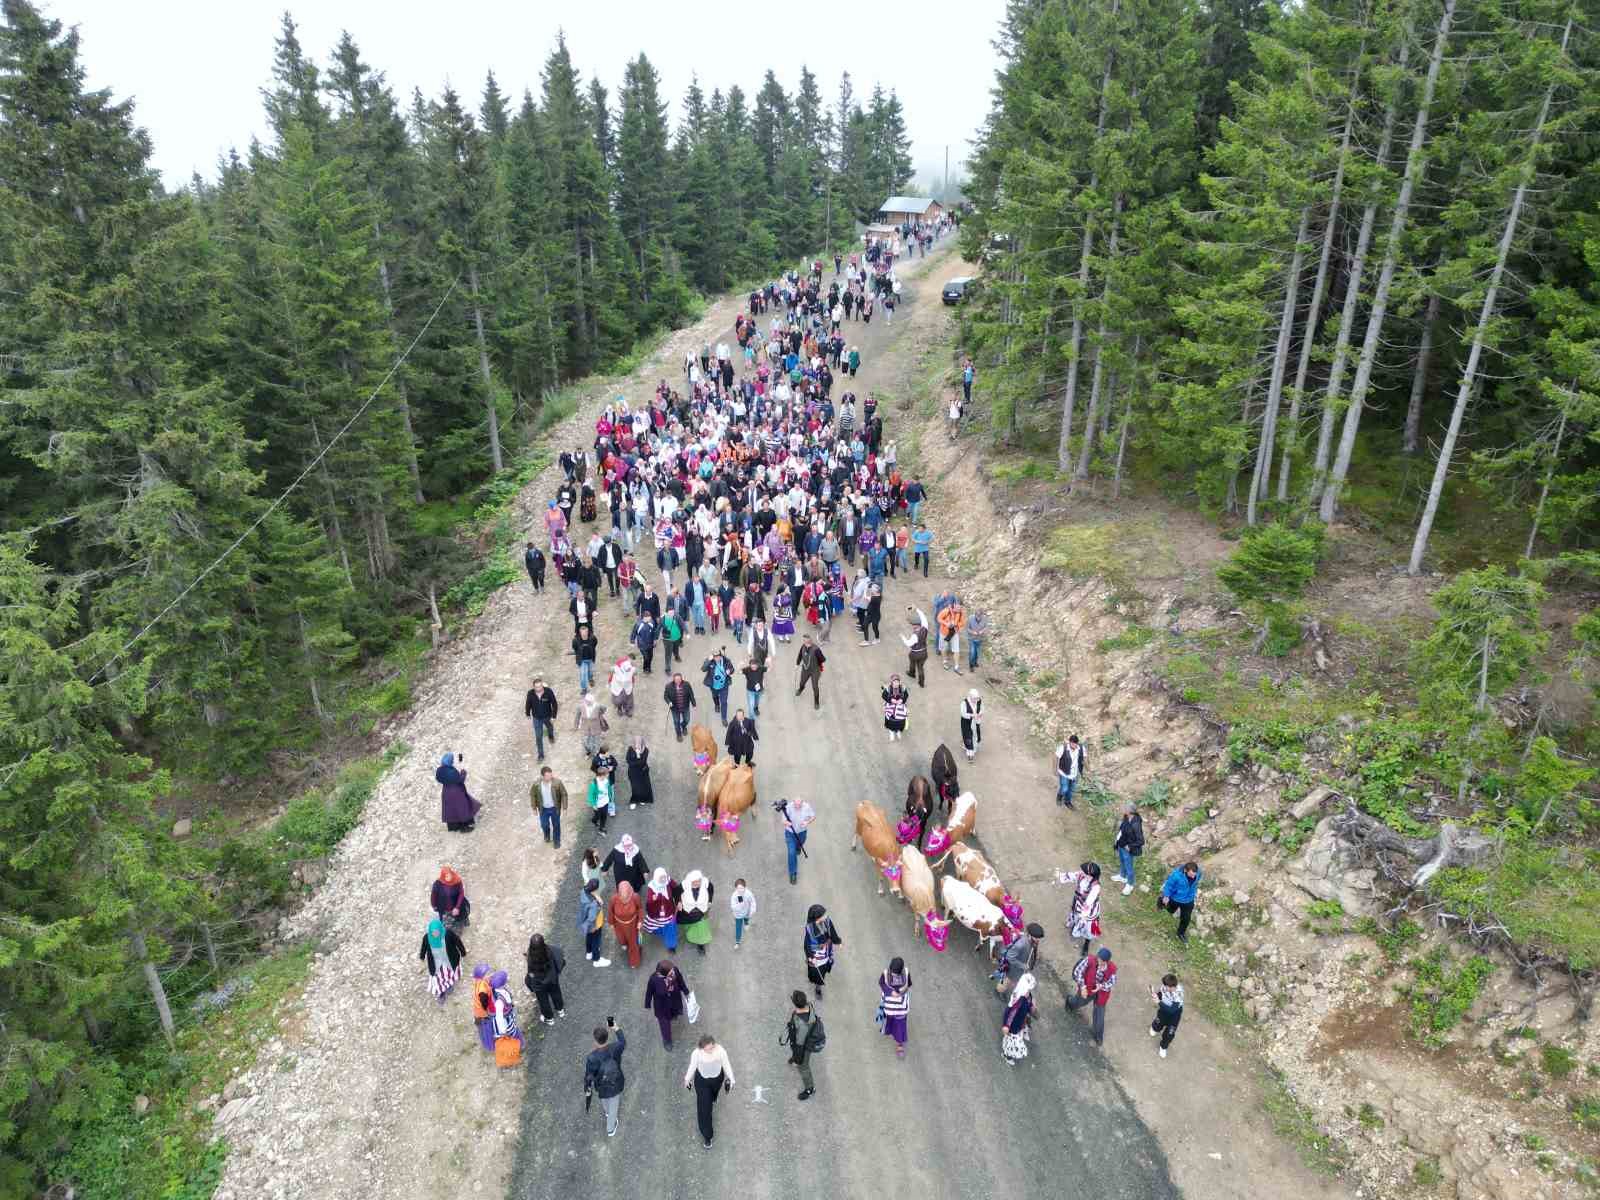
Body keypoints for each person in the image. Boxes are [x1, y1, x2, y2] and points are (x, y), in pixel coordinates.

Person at [683, 1034, 735, 1149]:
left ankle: (713, 1099)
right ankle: (707, 1136)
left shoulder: (721, 1051)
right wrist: (687, 1079)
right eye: (707, 1050)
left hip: (717, 1079)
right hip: (702, 1082)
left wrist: (732, 1079)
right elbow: (692, 1066)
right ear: (702, 1048)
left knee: (713, 1096)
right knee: (704, 1110)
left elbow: (726, 1065)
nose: (710, 1051)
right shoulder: (696, 1053)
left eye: (712, 1048)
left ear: (714, 1044)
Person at [584, 1018, 627, 1138]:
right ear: (607, 1038)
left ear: (595, 1041)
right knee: (614, 1103)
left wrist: (587, 1088)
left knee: (605, 1100)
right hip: (616, 1082)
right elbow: (623, 1041)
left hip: (601, 1086)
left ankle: (609, 1119)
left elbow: (589, 1075)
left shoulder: (592, 1058)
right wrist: (615, 1027)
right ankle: (610, 1128)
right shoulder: (616, 1047)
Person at [1067, 946, 1117, 1047]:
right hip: (1088, 988)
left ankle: (1098, 1036)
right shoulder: (1089, 960)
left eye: (1101, 960)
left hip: (1101, 993)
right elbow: (1078, 972)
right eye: (1098, 958)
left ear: (1106, 961)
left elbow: (1112, 982)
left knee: (1099, 1016)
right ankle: (1070, 1003)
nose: (1098, 961)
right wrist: (1083, 987)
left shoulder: (1112, 969)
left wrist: (1101, 986)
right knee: (1078, 1002)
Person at [1059, 861, 1104, 958]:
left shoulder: (1096, 887)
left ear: (1090, 875)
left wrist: (1083, 914)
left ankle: (1086, 944)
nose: (1080, 872)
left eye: (1083, 871)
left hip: (1088, 910)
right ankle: (1074, 925)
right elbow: (1071, 876)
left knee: (1088, 927)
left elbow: (1089, 901)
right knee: (1075, 917)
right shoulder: (1081, 876)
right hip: (1078, 903)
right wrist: (1060, 875)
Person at [643, 958, 689, 1048]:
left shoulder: (674, 970)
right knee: (664, 1025)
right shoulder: (653, 979)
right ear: (663, 973)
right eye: (670, 971)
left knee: (675, 1012)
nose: (673, 971)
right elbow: (649, 992)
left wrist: (686, 992)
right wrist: (647, 1004)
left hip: (675, 1000)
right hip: (662, 1007)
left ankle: (674, 1015)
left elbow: (681, 981)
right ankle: (667, 1040)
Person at [419, 915, 465, 1003]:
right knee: (438, 979)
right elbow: (424, 947)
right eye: (433, 932)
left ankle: (449, 985)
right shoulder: (427, 938)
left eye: (436, 931)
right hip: (436, 965)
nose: (435, 934)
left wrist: (463, 952)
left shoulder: (448, 934)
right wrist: (422, 956)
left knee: (449, 974)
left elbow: (458, 942)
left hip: (449, 961)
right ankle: (441, 992)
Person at [524, 933, 566, 1025]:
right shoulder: (549, 950)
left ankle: (549, 1019)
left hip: (539, 984)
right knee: (556, 993)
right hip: (552, 979)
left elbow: (531, 973)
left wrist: (531, 981)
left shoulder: (530, 957)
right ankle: (560, 1010)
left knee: (543, 1000)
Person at [785, 990, 821, 1100]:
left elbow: (799, 1044)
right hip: (806, 1041)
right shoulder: (809, 1006)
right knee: (798, 1056)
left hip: (804, 1046)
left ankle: (810, 1089)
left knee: (803, 1067)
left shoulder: (802, 1024)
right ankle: (795, 1058)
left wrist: (797, 1057)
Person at [803, 904, 842, 999]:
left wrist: (838, 941)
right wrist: (811, 956)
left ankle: (818, 987)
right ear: (816, 918)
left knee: (822, 971)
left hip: (826, 951)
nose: (826, 916)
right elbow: (807, 944)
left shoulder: (827, 921)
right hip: (815, 955)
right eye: (823, 915)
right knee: (813, 970)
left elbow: (832, 932)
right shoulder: (810, 928)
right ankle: (813, 980)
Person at [1159, 861, 1203, 943]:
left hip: (1188, 900)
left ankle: (1180, 933)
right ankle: (1161, 901)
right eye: (1191, 874)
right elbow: (1169, 885)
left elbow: (1198, 878)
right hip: (1176, 898)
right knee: (1170, 910)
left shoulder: (1199, 873)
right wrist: (1166, 896)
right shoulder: (1176, 875)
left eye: (1195, 874)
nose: (1194, 876)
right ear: (1185, 871)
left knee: (1186, 918)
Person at [877, 957, 912, 1058]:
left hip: (901, 1006)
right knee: (889, 1019)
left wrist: (901, 992)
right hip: (889, 1004)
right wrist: (890, 992)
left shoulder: (906, 972)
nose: (893, 974)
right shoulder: (885, 973)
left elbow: (908, 984)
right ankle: (888, 1030)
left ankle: (899, 1044)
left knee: (900, 1024)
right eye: (892, 972)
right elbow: (881, 983)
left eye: (895, 973)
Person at [996, 922, 1044, 994]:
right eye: (1036, 937)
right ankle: (999, 991)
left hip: (1022, 966)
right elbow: (1009, 957)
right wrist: (1023, 966)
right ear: (1029, 935)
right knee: (1006, 981)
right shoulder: (1020, 944)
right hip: (1013, 969)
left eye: (1039, 938)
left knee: (1013, 981)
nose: (1038, 940)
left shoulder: (1032, 941)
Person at [436, 752, 479, 833]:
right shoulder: (452, 772)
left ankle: (455, 827)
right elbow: (460, 780)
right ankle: (464, 827)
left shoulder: (439, 770)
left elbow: (438, 779)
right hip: (456, 792)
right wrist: (463, 773)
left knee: (451, 809)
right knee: (461, 808)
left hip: (446, 792)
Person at [488, 969, 523, 1067]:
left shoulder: (496, 990)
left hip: (508, 1018)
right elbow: (499, 1018)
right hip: (505, 1023)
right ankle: (511, 1053)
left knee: (514, 1032)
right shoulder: (499, 1001)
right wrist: (503, 1032)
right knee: (512, 1034)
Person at [643, 868, 682, 952]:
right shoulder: (652, 888)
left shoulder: (669, 881)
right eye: (661, 878)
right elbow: (648, 905)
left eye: (664, 877)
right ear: (656, 878)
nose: (664, 879)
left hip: (669, 911)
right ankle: (660, 931)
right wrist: (653, 900)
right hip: (656, 914)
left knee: (670, 928)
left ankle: (671, 945)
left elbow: (677, 890)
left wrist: (679, 901)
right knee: (658, 926)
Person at [677, 870, 714, 956]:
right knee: (690, 927)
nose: (698, 883)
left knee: (701, 929)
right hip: (688, 912)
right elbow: (676, 893)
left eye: (699, 881)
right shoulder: (684, 885)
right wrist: (679, 902)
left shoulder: (706, 883)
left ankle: (700, 944)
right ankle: (690, 936)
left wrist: (710, 901)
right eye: (695, 882)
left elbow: (711, 890)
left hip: (701, 912)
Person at [1001, 972, 1035, 1064]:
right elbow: (1011, 1013)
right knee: (1012, 1042)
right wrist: (1007, 1025)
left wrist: (1031, 1007)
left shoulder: (1027, 996)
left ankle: (1021, 1034)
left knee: (1017, 1035)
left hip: (1021, 1021)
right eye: (1028, 990)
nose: (1029, 992)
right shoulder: (1019, 1000)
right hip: (1014, 1025)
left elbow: (1029, 1002)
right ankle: (1007, 1055)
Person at [608, 880, 644, 969]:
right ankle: (623, 943)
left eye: (627, 897)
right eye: (623, 898)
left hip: (632, 925)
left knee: (633, 943)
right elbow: (610, 911)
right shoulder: (613, 899)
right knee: (621, 937)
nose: (625, 900)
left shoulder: (635, 897)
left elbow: (640, 909)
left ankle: (634, 961)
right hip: (619, 925)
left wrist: (640, 921)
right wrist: (611, 923)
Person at [780, 796, 815, 885]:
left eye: (799, 805)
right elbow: (783, 821)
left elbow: (813, 816)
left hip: (802, 832)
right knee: (791, 853)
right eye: (795, 805)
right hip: (790, 833)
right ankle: (793, 873)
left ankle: (798, 847)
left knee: (800, 843)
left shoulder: (807, 807)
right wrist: (787, 823)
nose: (797, 807)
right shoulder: (788, 807)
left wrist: (807, 822)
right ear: (793, 803)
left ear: (802, 803)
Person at [530, 766, 568, 849]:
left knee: (556, 825)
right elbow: (533, 795)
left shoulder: (557, 782)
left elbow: (564, 794)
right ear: (542, 776)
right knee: (544, 825)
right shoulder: (536, 784)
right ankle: (546, 835)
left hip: (555, 808)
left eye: (551, 775)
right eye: (548, 776)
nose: (550, 777)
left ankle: (557, 841)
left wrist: (564, 808)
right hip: (543, 809)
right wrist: (534, 808)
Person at [1113, 803, 1145, 896]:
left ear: (1130, 811)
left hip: (1128, 849)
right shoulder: (1126, 817)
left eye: (1125, 807)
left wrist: (1130, 846)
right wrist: (1117, 840)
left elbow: (1141, 841)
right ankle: (1122, 876)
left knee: (1129, 867)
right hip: (1121, 845)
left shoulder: (1136, 824)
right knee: (1122, 861)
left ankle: (1130, 884)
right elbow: (1122, 829)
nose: (1123, 808)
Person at [577, 879, 611, 967]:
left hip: (584, 921)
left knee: (589, 937)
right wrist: (600, 904)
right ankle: (597, 959)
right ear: (594, 890)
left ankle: (589, 952)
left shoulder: (583, 891)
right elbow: (592, 917)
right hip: (594, 924)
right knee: (596, 940)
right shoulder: (593, 903)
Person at [1151, 974, 1185, 1058]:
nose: (1164, 988)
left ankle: (1163, 1047)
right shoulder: (1165, 986)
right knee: (1158, 1021)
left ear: (1172, 987)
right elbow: (1161, 993)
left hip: (1174, 1014)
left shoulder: (1179, 993)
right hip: (1163, 1009)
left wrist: (1158, 1002)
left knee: (1170, 1032)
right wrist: (1156, 995)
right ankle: (1155, 1028)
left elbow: (1171, 1010)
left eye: (1166, 987)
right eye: (1164, 985)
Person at [524, 679, 559, 761]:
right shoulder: (530, 693)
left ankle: (551, 735)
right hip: (536, 718)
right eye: (536, 687)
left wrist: (554, 716)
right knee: (538, 737)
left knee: (550, 727)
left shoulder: (548, 692)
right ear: (534, 687)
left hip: (547, 716)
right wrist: (528, 713)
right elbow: (528, 704)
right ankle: (541, 755)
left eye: (540, 686)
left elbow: (554, 703)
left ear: (542, 685)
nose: (539, 688)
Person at [430, 865, 471, 930]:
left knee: (459, 923)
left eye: (449, 875)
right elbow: (433, 895)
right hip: (444, 909)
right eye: (446, 876)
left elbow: (461, 893)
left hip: (456, 907)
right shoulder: (437, 884)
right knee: (447, 927)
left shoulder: (457, 881)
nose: (448, 877)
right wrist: (434, 905)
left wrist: (457, 907)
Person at [701, 646, 734, 725]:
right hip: (713, 685)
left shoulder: (726, 661)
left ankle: (724, 718)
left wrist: (730, 671)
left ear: (721, 655)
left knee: (724, 702)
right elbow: (703, 669)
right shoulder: (710, 661)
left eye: (718, 656)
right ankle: (716, 705)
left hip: (724, 685)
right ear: (713, 656)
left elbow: (732, 669)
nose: (717, 658)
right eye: (715, 657)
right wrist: (708, 660)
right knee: (715, 696)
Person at [574, 692, 609, 759]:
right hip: (585, 728)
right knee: (585, 742)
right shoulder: (580, 707)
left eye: (590, 701)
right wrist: (576, 725)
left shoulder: (598, 706)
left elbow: (605, 709)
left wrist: (600, 715)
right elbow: (577, 716)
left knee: (596, 742)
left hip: (596, 728)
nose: (588, 703)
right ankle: (588, 752)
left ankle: (596, 754)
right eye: (587, 701)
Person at [794, 635, 826, 710]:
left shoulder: (816, 649)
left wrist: (817, 664)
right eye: (804, 641)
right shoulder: (803, 647)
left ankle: (816, 702)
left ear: (809, 641)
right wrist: (797, 664)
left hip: (815, 670)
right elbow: (800, 655)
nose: (804, 642)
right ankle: (801, 689)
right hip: (805, 669)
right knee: (802, 682)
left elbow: (823, 659)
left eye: (805, 641)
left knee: (815, 686)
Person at [1055, 734, 1087, 808]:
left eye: (1075, 743)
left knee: (1071, 790)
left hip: (1074, 774)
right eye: (1072, 743)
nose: (1074, 745)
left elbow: (1085, 760)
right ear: (1069, 742)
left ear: (1077, 743)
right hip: (1064, 773)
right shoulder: (1063, 748)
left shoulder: (1081, 749)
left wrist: (1088, 770)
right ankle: (1059, 796)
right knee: (1065, 788)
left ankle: (1067, 802)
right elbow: (1056, 757)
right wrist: (1055, 769)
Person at [663, 672, 696, 741]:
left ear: (681, 679)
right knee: (676, 722)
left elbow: (691, 694)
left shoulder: (687, 684)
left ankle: (683, 726)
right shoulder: (668, 686)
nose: (678, 681)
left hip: (685, 707)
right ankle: (679, 734)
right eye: (676, 680)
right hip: (675, 708)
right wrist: (669, 702)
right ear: (673, 680)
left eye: (679, 680)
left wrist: (694, 704)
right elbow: (665, 696)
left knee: (687, 719)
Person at [625, 735, 654, 807]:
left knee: (642, 786)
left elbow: (643, 762)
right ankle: (634, 801)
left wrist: (638, 755)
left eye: (639, 742)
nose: (637, 744)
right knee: (634, 787)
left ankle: (642, 799)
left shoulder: (646, 750)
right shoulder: (630, 749)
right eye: (636, 742)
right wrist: (637, 762)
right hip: (633, 772)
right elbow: (628, 760)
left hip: (642, 772)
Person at [937, 598, 966, 673]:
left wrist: (956, 625)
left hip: (954, 633)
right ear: (954, 605)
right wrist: (946, 623)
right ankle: (945, 662)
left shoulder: (961, 613)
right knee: (944, 648)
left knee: (956, 650)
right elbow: (939, 618)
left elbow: (963, 623)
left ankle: (956, 666)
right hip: (944, 632)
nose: (958, 609)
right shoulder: (946, 611)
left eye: (960, 607)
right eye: (957, 607)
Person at [586, 762, 616, 833]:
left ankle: (601, 828)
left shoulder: (606, 780)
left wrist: (611, 798)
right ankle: (594, 820)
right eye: (607, 774)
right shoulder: (594, 784)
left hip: (605, 802)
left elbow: (609, 789)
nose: (608, 775)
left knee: (604, 816)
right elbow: (590, 795)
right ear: (601, 775)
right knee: (598, 816)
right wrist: (593, 805)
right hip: (598, 804)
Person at [471, 964, 495, 1050]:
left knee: (482, 1028)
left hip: (477, 1013)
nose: (489, 974)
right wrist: (488, 1011)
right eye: (487, 974)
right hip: (483, 1015)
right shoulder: (482, 991)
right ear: (482, 977)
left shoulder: (479, 981)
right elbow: (484, 1003)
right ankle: (490, 1046)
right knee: (486, 1031)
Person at [729, 878, 757, 949]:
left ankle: (746, 923)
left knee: (747, 918)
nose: (740, 890)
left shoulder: (748, 893)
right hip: (738, 915)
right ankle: (737, 942)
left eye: (742, 888)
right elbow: (733, 906)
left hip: (747, 911)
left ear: (745, 887)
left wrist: (752, 909)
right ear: (735, 888)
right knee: (738, 928)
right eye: (738, 888)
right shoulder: (734, 896)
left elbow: (753, 901)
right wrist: (740, 905)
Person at [903, 615, 930, 688]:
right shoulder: (925, 628)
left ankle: (912, 673)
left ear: (915, 626)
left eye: (913, 625)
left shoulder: (915, 635)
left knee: (912, 662)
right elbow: (924, 618)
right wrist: (917, 609)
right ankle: (921, 683)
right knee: (920, 667)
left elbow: (908, 643)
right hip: (924, 652)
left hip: (915, 653)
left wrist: (903, 637)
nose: (912, 626)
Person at [882, 675, 909, 742]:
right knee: (891, 722)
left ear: (899, 682)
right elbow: (884, 696)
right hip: (891, 709)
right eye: (894, 682)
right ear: (892, 682)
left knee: (900, 721)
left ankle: (897, 731)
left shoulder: (903, 688)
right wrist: (891, 700)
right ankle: (891, 732)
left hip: (900, 709)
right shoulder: (888, 689)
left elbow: (906, 695)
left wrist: (902, 700)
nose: (896, 684)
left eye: (897, 682)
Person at [572, 624, 598, 692]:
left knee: (590, 672)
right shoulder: (576, 640)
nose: (584, 633)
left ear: (588, 631)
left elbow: (595, 644)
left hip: (590, 659)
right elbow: (575, 648)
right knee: (583, 675)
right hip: (582, 660)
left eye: (585, 631)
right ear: (579, 632)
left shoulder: (592, 638)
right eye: (582, 631)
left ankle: (590, 679)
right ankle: (584, 689)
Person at [960, 689, 983, 760]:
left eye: (977, 698)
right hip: (967, 723)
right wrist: (972, 715)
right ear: (970, 697)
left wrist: (980, 713)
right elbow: (963, 714)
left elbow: (982, 708)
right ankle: (970, 754)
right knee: (968, 736)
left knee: (976, 735)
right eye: (974, 698)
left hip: (976, 722)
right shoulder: (964, 703)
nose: (976, 700)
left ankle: (974, 748)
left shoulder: (978, 701)